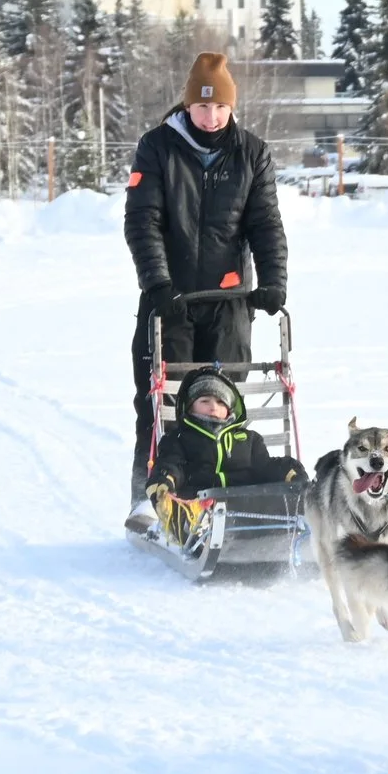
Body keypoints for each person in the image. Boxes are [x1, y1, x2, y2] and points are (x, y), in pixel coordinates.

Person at [122, 52, 289, 532]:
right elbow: (143, 221)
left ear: (231, 108)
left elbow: (265, 224)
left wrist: (273, 281)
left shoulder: (252, 153)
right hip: (169, 302)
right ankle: (148, 497)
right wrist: (158, 284)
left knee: (223, 401)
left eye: (219, 109)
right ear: (187, 104)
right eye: (201, 107)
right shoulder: (157, 147)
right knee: (163, 403)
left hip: (229, 304)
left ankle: (230, 497)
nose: (210, 117)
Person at [147, 368, 305, 499]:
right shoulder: (178, 439)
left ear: (230, 409)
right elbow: (171, 465)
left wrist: (289, 471)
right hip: (196, 509)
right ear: (189, 407)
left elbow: (266, 467)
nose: (213, 407)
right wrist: (164, 479)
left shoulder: (249, 440)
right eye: (204, 401)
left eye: (221, 402)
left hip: (247, 509)